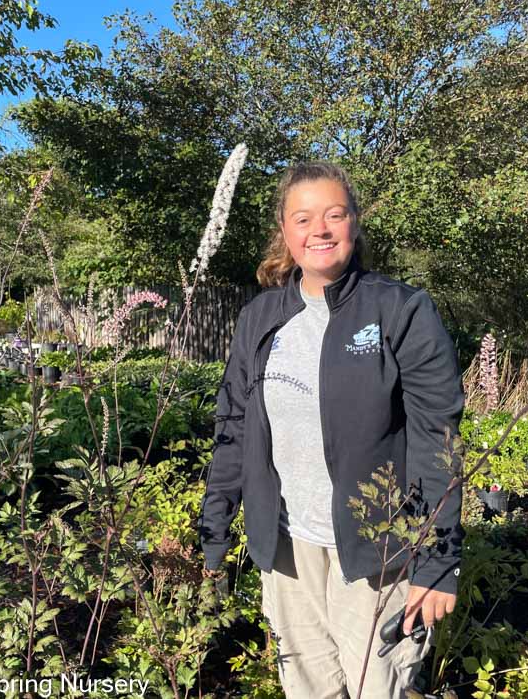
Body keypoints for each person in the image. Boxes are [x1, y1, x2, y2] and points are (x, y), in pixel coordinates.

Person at [198, 161, 465, 698]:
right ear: (286, 233)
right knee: (307, 687)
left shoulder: (400, 309)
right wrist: (215, 534)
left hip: (378, 550)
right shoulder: (260, 318)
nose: (318, 229)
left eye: (334, 215)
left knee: (377, 687)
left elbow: (438, 437)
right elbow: (235, 427)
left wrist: (438, 562)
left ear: (354, 224)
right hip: (287, 548)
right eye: (303, 219)